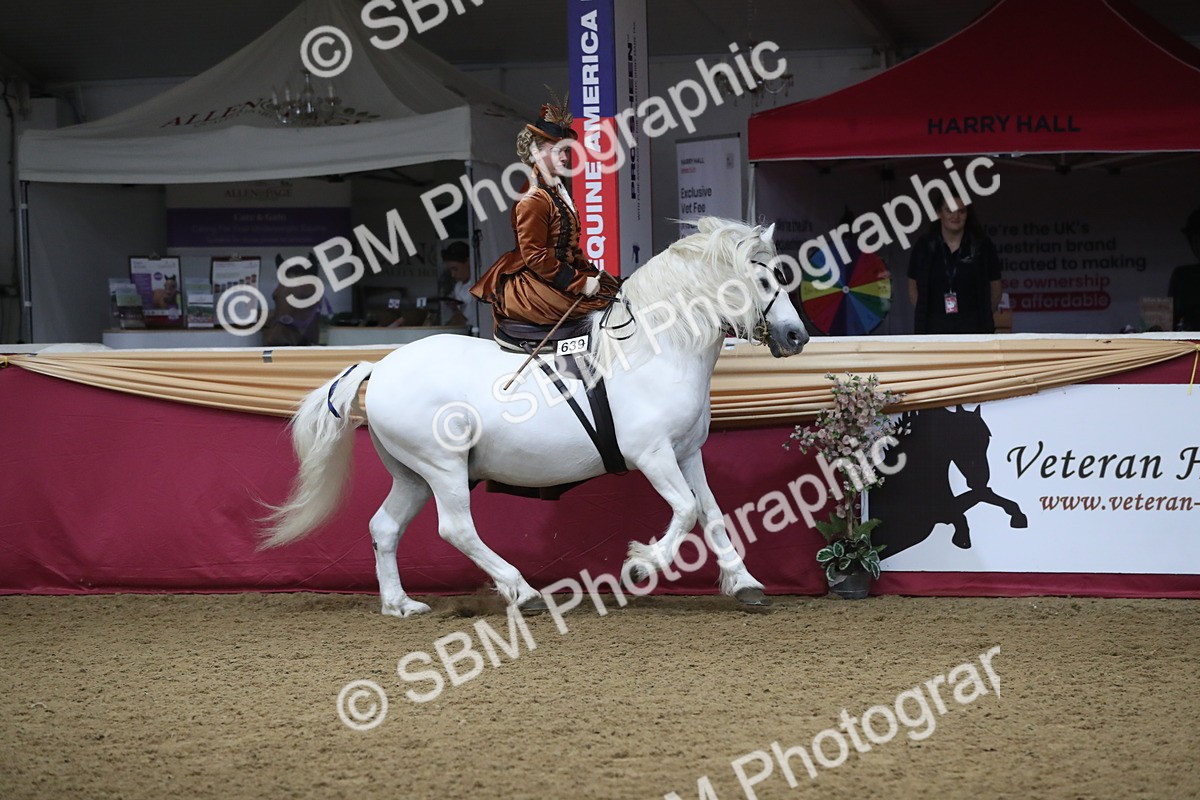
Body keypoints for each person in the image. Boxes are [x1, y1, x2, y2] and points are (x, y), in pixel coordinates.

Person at [470, 99, 619, 334]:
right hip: (535, 284)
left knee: (616, 291)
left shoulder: (556, 189)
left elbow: (567, 246)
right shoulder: (534, 198)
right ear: (535, 152)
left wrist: (590, 272)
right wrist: (580, 282)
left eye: (567, 150)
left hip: (555, 276)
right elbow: (536, 257)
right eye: (557, 151)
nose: (565, 158)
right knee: (602, 310)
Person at [907, 191, 1002, 334]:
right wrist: (924, 311)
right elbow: (912, 284)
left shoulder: (982, 245)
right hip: (933, 326)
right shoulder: (924, 246)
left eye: (961, 211)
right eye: (949, 210)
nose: (955, 216)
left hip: (974, 326)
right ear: (939, 213)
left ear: (967, 214)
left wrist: (985, 313)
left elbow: (995, 285)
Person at [1168, 209, 1200, 331]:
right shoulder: (1182, 276)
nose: (1197, 246)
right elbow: (1171, 320)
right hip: (1188, 342)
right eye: (1194, 241)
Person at [439, 241, 476, 326]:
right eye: (450, 270)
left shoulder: (478, 286)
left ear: (468, 262)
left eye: (455, 269)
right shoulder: (458, 287)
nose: (453, 275)